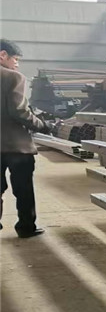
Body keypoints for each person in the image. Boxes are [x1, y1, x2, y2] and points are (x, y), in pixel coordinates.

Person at [1, 38, 49, 237]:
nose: (17, 64)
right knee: (23, 189)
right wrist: (42, 125)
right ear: (3, 55)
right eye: (16, 59)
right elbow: (19, 111)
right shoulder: (13, 77)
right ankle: (26, 227)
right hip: (16, 146)